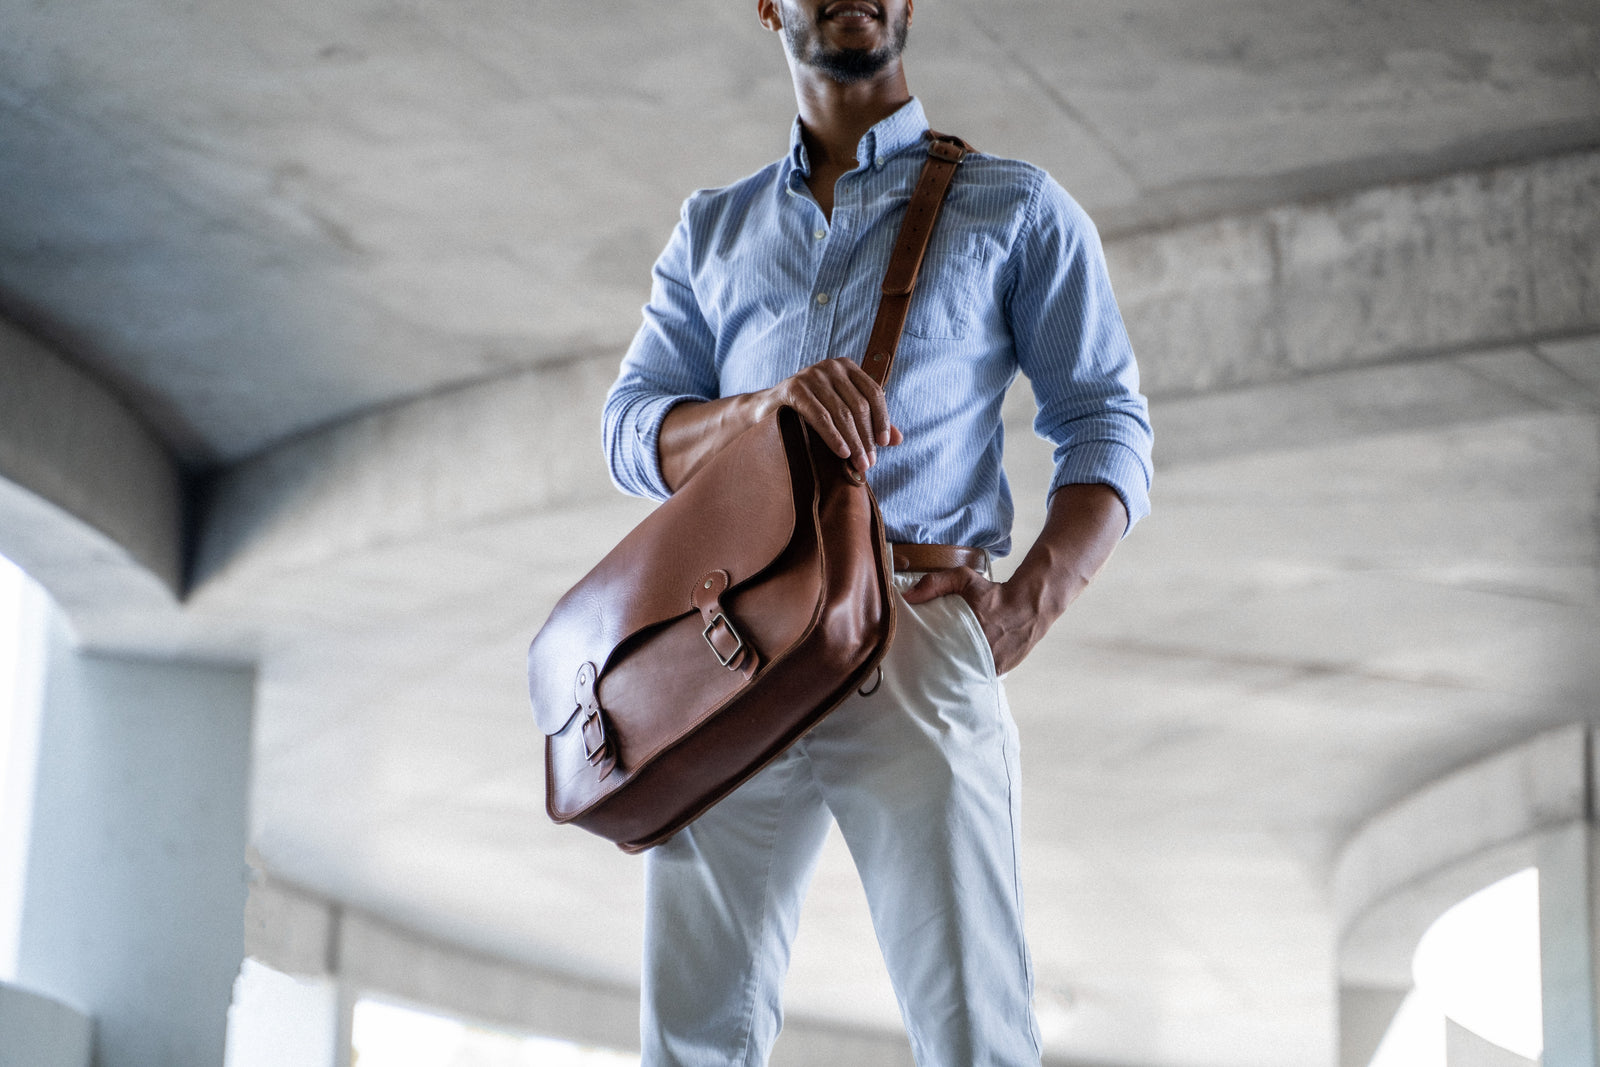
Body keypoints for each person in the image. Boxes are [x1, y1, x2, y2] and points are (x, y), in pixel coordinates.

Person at [602, 1, 1152, 1063]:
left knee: (970, 1026)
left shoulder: (1015, 207)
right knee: (690, 1034)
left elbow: (1107, 425)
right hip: (733, 641)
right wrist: (762, 409)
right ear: (767, 4)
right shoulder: (710, 229)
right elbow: (630, 430)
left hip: (916, 620)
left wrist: (1029, 600)